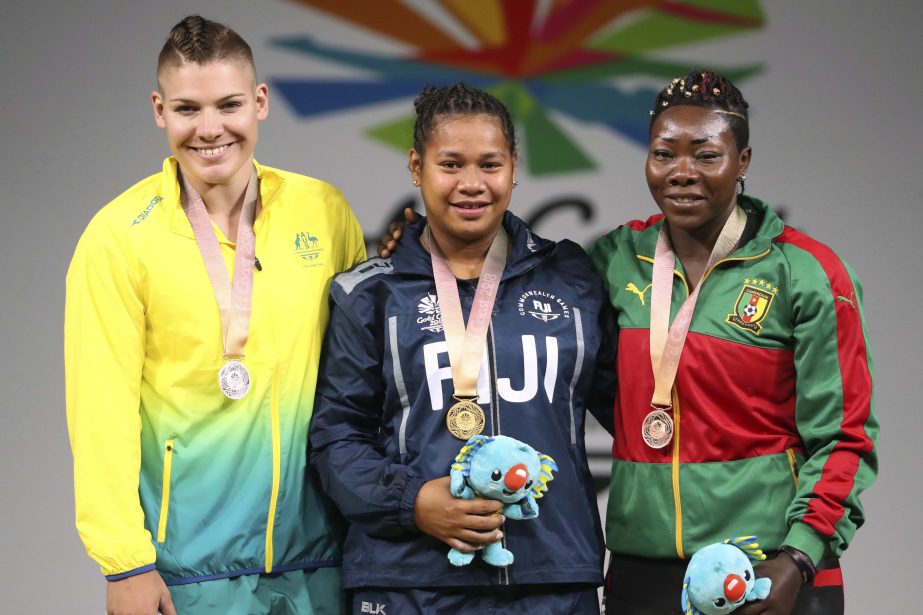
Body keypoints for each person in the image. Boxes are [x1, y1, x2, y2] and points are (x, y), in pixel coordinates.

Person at [381, 72, 878, 615]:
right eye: (665, 154)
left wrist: (798, 558)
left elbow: (846, 437)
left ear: (743, 161)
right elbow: (505, 268)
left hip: (764, 567)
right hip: (641, 570)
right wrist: (424, 243)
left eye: (706, 155)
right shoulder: (613, 261)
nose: (682, 173)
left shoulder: (806, 273)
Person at [65, 15, 366, 615]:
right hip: (189, 570)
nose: (209, 129)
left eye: (228, 104)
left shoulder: (323, 211)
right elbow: (101, 411)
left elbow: (364, 374)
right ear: (159, 109)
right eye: (187, 109)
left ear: (260, 102)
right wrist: (125, 562)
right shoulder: (119, 237)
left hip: (323, 557)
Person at [309, 83, 618, 613]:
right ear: (416, 166)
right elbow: (335, 438)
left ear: (514, 167)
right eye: (450, 164)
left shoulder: (573, 278)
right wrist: (413, 503)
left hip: (551, 579)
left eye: (489, 165)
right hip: (407, 581)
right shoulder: (370, 293)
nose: (471, 184)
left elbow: (632, 410)